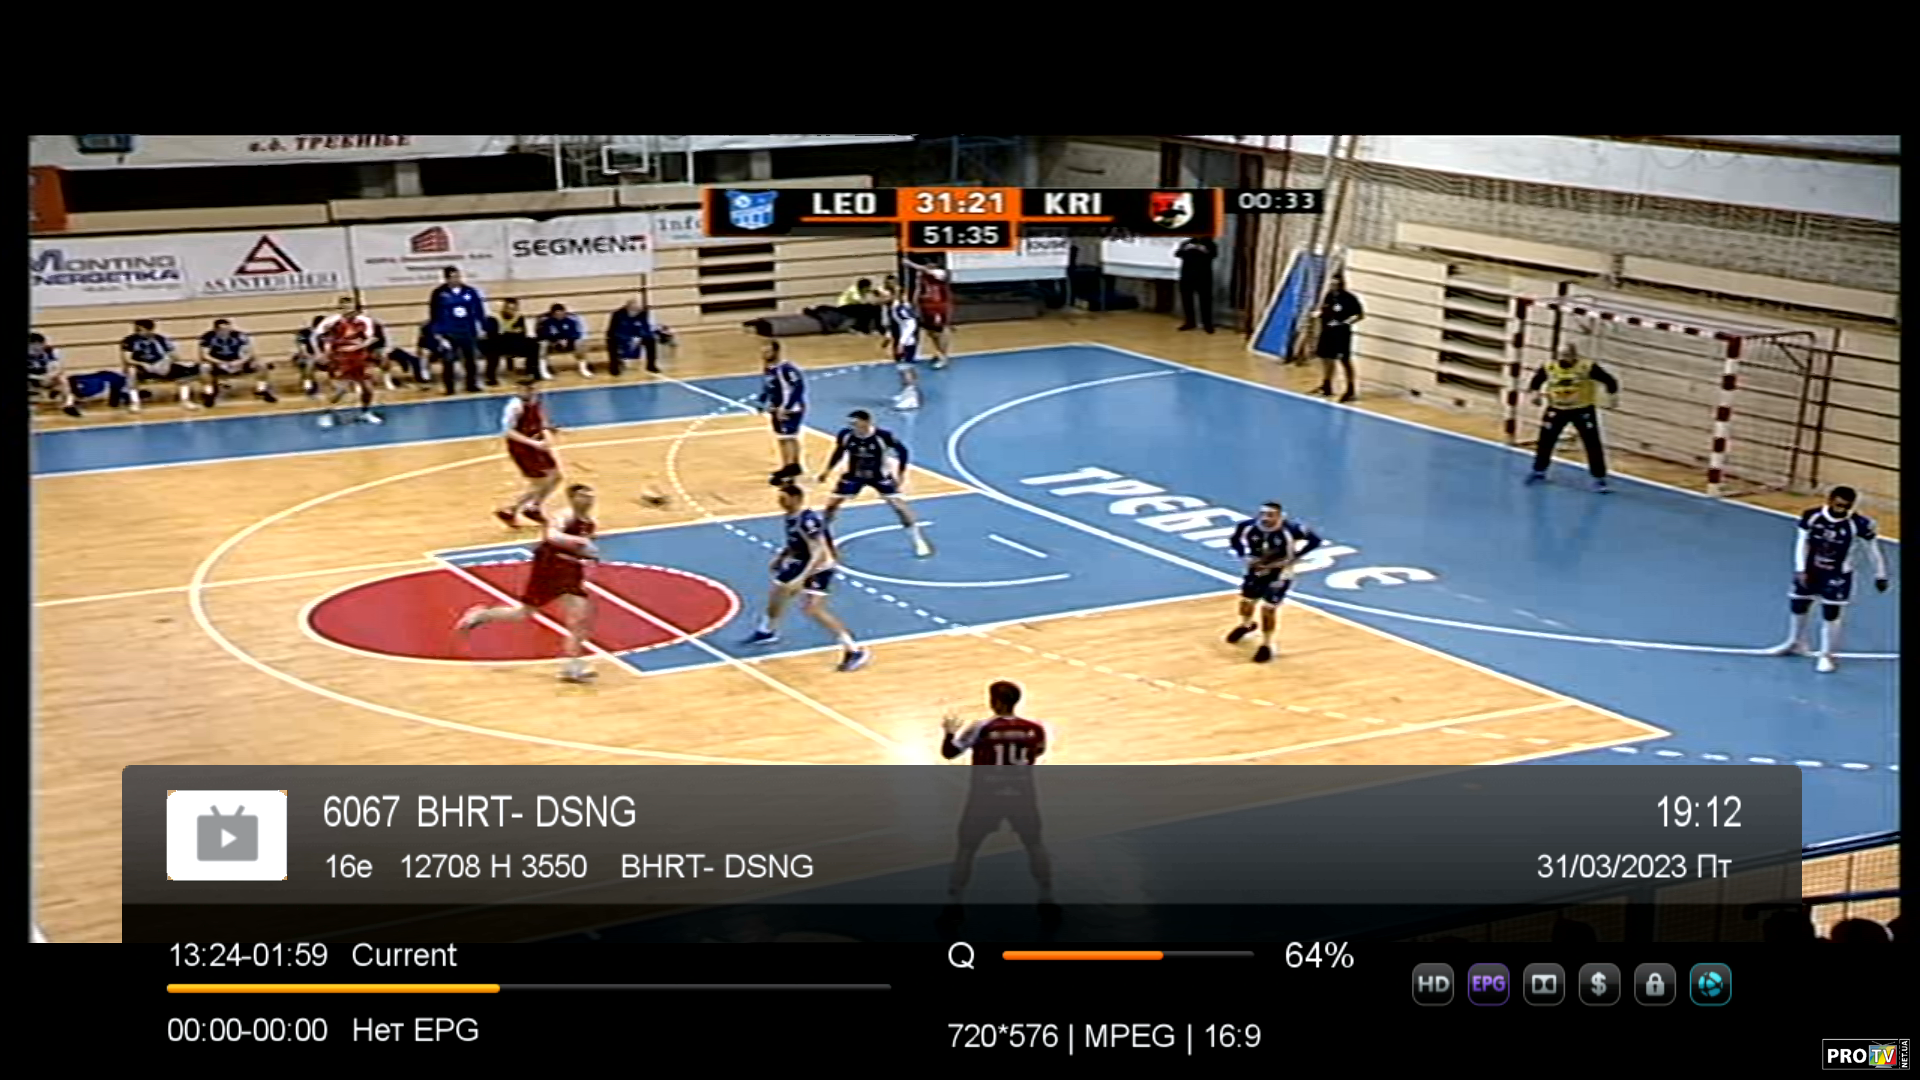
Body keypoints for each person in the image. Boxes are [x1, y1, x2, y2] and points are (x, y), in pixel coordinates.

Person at [458, 482, 602, 683]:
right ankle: (482, 615)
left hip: (571, 571)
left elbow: (582, 548)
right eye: (583, 496)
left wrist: (588, 555)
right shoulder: (563, 516)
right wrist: (579, 542)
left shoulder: (590, 523)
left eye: (590, 496)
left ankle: (572, 667)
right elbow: (551, 536)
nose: (588, 500)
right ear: (572, 498)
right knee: (523, 614)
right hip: (549, 566)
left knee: (579, 618)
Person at [939, 679, 1056, 925]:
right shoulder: (1037, 728)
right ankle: (1047, 899)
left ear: (996, 702)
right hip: (1022, 795)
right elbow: (1039, 751)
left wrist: (949, 733)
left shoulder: (981, 727)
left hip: (985, 797)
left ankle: (954, 904)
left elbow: (950, 753)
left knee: (966, 849)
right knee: (1035, 845)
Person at [744, 483, 871, 672]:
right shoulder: (790, 517)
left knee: (812, 609)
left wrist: (802, 577)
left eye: (783, 498)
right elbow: (794, 541)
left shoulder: (807, 520)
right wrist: (781, 557)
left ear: (796, 499)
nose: (780, 502)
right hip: (800, 560)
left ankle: (853, 649)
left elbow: (818, 551)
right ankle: (766, 631)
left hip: (819, 566)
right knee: (777, 594)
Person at [1768, 485, 1890, 673]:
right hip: (1811, 570)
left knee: (1831, 613)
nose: (1841, 510)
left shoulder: (1859, 524)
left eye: (1846, 506)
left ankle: (1827, 655)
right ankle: (1795, 642)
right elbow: (1801, 542)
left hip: (1837, 574)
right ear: (1830, 501)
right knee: (1798, 605)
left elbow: (1872, 550)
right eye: (1838, 505)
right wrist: (1800, 569)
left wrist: (1881, 574)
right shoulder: (1812, 516)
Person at [817, 409, 930, 556]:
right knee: (831, 505)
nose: (852, 426)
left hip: (879, 476)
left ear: (867, 422)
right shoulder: (846, 435)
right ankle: (825, 538)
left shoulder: (883, 436)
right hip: (854, 475)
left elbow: (903, 452)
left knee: (899, 507)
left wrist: (901, 474)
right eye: (850, 423)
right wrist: (827, 471)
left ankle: (918, 540)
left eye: (855, 423)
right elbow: (838, 452)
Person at [1226, 501, 1322, 663]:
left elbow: (1315, 540)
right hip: (1256, 570)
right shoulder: (1247, 526)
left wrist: (1296, 557)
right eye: (1262, 514)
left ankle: (1266, 645)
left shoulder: (1292, 529)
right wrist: (1243, 555)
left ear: (1279, 516)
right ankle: (1246, 625)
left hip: (1280, 573)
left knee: (1268, 609)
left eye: (1270, 515)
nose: (1265, 518)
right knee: (1246, 602)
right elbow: (1235, 540)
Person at [1526, 344, 1620, 492]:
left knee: (1592, 443)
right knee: (1546, 440)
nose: (1563, 359)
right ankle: (1539, 471)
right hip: (1557, 409)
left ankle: (1599, 478)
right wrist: (1535, 395)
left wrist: (1612, 397)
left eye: (1567, 356)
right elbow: (1535, 382)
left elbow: (1609, 380)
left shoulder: (1586, 367)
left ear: (1574, 356)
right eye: (1561, 355)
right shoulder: (1549, 367)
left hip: (1582, 410)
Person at [313, 299, 382, 427]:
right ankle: (326, 413)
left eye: (350, 307)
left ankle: (366, 412)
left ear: (356, 309)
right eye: (344, 307)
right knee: (340, 390)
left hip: (360, 357)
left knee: (368, 388)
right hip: (339, 358)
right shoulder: (331, 321)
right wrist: (319, 353)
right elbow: (315, 336)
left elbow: (372, 338)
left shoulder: (365, 321)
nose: (347, 310)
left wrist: (359, 346)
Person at [31, 333, 131, 416]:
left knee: (62, 379)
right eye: (34, 347)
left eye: (39, 345)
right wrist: (37, 377)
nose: (37, 349)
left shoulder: (51, 351)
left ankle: (68, 405)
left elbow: (58, 368)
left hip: (46, 377)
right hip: (32, 379)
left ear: (43, 344)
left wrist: (48, 376)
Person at [428, 266, 487, 395]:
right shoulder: (439, 293)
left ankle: (471, 384)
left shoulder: (470, 291)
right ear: (446, 278)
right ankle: (449, 387)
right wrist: (437, 332)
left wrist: (482, 327)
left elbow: (479, 310)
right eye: (453, 277)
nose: (456, 279)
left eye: (458, 276)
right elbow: (433, 314)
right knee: (448, 360)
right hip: (448, 332)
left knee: (470, 359)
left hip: (467, 330)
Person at [119, 319, 197, 412]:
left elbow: (175, 357)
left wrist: (166, 362)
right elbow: (128, 359)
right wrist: (143, 364)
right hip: (142, 367)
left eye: (140, 330)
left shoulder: (161, 339)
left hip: (160, 365)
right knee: (131, 371)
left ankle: (185, 400)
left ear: (150, 330)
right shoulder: (129, 340)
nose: (137, 332)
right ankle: (135, 403)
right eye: (136, 330)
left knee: (183, 372)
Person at [196, 318, 277, 407]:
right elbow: (205, 355)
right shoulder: (207, 337)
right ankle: (209, 393)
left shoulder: (240, 335)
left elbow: (249, 353)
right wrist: (220, 362)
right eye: (222, 330)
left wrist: (239, 362)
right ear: (216, 329)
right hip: (217, 363)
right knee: (204, 367)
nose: (225, 332)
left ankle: (261, 389)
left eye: (228, 329)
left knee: (261, 364)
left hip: (238, 362)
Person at [759, 341, 807, 483]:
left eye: (767, 352)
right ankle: (793, 465)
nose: (764, 355)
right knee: (783, 437)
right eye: (763, 352)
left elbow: (798, 387)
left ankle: (789, 468)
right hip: (776, 408)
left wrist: (786, 407)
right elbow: (768, 386)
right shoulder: (768, 368)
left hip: (790, 409)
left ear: (776, 352)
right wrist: (762, 400)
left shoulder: (786, 368)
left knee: (787, 437)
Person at [1313, 275, 1365, 400]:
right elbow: (1326, 310)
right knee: (1326, 358)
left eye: (1336, 284)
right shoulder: (1329, 296)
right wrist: (1319, 314)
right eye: (1332, 284)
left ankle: (1351, 389)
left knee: (1344, 360)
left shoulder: (1349, 298)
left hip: (1341, 334)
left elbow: (1359, 315)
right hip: (1327, 331)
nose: (1333, 286)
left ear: (1342, 284)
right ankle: (1327, 385)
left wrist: (1345, 323)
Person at [906, 257, 955, 368]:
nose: (928, 266)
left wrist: (910, 263)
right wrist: (914, 304)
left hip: (939, 305)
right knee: (931, 332)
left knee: (940, 331)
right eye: (927, 264)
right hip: (925, 306)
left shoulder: (940, 273)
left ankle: (944, 357)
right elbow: (918, 289)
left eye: (931, 264)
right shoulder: (921, 274)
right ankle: (939, 352)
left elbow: (926, 271)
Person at [485, 298, 539, 384]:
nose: (511, 311)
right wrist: (510, 333)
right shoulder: (494, 318)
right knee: (493, 347)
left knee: (533, 343)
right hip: (497, 343)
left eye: (514, 309)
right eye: (509, 308)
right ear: (504, 308)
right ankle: (490, 377)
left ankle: (531, 372)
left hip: (512, 343)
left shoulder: (519, 317)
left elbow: (522, 334)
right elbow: (492, 335)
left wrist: (506, 333)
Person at [605, 298, 661, 377]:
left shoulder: (642, 313)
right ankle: (614, 366)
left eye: (637, 309)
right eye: (633, 309)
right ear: (627, 308)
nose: (636, 311)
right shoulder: (617, 314)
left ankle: (651, 365)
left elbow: (645, 327)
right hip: (619, 336)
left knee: (651, 340)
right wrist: (628, 339)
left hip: (635, 335)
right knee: (611, 342)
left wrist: (642, 337)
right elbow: (612, 331)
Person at [1175, 235, 1218, 334]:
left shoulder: (1210, 244)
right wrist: (1185, 249)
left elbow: (1214, 255)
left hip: (1204, 277)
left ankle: (1207, 325)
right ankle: (1190, 322)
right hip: (1187, 276)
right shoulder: (1186, 243)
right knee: (1187, 300)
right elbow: (1177, 254)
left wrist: (1203, 250)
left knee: (1205, 302)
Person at [888, 297, 922, 411]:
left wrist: (902, 342)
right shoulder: (892, 308)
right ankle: (907, 394)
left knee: (905, 369)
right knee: (904, 369)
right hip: (901, 342)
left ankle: (911, 400)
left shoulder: (900, 308)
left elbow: (911, 323)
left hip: (906, 344)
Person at [535, 303, 585, 379]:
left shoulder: (570, 321)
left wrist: (567, 339)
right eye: (557, 314)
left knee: (579, 343)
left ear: (564, 313)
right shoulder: (547, 322)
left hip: (568, 343)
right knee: (543, 344)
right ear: (552, 314)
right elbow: (543, 335)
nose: (559, 316)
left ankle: (583, 369)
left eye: (561, 314)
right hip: (552, 344)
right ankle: (543, 371)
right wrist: (556, 340)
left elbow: (576, 334)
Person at [293, 314, 328, 396]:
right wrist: (311, 356)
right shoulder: (304, 333)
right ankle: (310, 385)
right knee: (305, 362)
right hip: (309, 356)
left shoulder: (330, 332)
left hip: (325, 357)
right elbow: (302, 348)